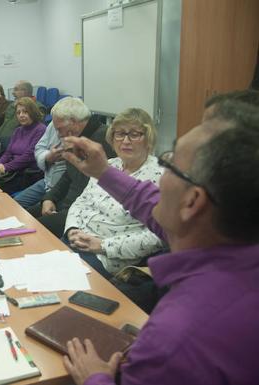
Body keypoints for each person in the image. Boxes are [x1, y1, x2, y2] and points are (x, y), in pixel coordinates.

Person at [61, 100, 259, 385]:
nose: (157, 178)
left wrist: (96, 378)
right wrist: (103, 171)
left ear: (191, 202)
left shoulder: (174, 339)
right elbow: (150, 202)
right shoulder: (226, 234)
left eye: (169, 164)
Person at [64, 108, 164, 279]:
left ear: (148, 138)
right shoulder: (107, 165)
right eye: (120, 134)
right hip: (76, 240)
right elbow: (82, 201)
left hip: (106, 257)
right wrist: (72, 229)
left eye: (134, 134)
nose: (125, 141)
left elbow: (157, 237)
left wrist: (102, 245)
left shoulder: (161, 177)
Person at [26, 97, 114, 238]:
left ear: (73, 121)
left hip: (83, 211)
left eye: (60, 129)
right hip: (66, 203)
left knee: (34, 230)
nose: (59, 135)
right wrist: (49, 198)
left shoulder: (103, 140)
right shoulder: (77, 138)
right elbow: (69, 176)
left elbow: (96, 194)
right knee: (24, 217)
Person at [0, 97, 46, 193]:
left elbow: (29, 156)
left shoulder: (41, 129)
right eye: (18, 113)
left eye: (25, 112)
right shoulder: (18, 130)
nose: (21, 115)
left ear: (33, 112)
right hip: (14, 170)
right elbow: (8, 153)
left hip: (27, 173)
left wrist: (6, 167)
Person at [13, 120, 66, 208]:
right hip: (47, 181)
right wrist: (48, 157)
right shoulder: (52, 124)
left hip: (61, 187)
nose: (59, 134)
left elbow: (28, 155)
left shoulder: (40, 129)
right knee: (14, 204)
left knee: (35, 214)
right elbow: (39, 148)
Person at [0, 80, 46, 151]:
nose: (13, 93)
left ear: (25, 91)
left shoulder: (38, 107)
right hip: (0, 144)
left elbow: (34, 133)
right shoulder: (12, 105)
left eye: (16, 90)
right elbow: (0, 121)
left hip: (15, 148)